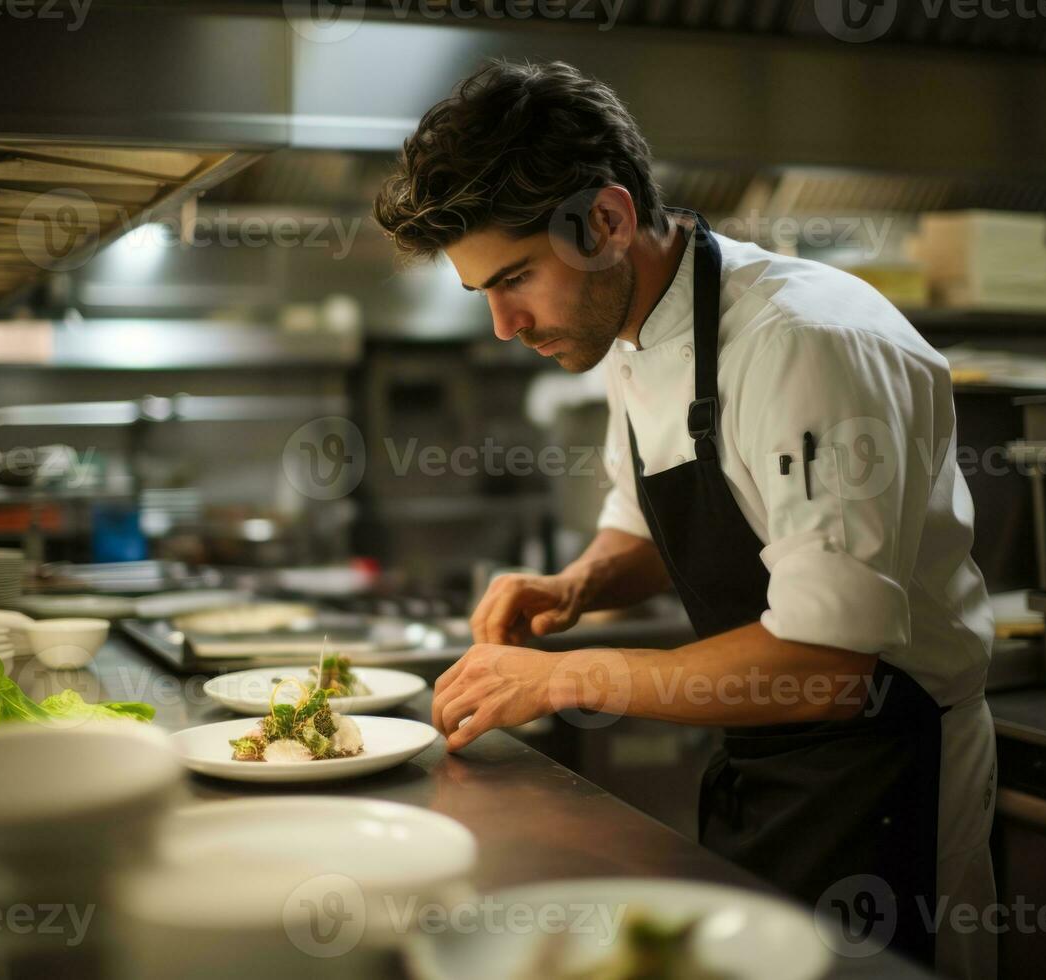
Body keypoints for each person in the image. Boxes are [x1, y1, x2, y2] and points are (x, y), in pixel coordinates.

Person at [373, 59, 997, 978]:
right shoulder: (633, 329)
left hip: (887, 766)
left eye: (515, 280)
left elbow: (828, 664)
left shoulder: (802, 342)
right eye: (484, 296)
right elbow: (643, 514)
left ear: (608, 223)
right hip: (761, 760)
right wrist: (576, 585)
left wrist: (561, 680)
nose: (504, 325)